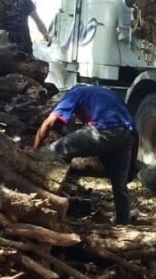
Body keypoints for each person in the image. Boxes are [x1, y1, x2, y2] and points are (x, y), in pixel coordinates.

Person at [34, 85, 137, 224]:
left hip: (105, 131)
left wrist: (36, 149)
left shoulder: (73, 94)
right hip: (127, 134)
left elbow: (49, 122)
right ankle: (123, 223)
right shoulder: (102, 92)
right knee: (119, 184)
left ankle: (47, 188)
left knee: (57, 149)